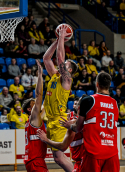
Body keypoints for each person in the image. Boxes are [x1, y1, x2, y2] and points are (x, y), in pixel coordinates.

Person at [59, 72, 119, 172]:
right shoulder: (115, 103)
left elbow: (78, 128)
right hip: (112, 152)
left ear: (97, 84)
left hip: (94, 152)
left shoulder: (88, 100)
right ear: (109, 85)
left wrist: (70, 126)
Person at [43, 26, 78, 171]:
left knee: (58, 157)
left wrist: (62, 37)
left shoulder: (67, 80)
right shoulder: (55, 76)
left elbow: (59, 58)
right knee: (58, 158)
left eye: (66, 64)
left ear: (69, 70)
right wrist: (57, 40)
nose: (63, 64)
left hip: (58, 120)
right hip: (51, 120)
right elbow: (46, 58)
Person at [37, 96, 85, 172]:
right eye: (75, 104)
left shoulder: (74, 121)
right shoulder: (68, 117)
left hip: (84, 156)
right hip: (80, 156)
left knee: (58, 157)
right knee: (58, 157)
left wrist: (46, 139)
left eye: (78, 104)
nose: (77, 106)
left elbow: (63, 146)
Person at [22, 60, 48, 171]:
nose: (37, 104)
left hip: (32, 161)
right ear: (29, 109)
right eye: (34, 104)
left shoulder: (31, 121)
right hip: (36, 161)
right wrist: (40, 75)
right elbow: (38, 95)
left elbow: (44, 105)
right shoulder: (34, 117)